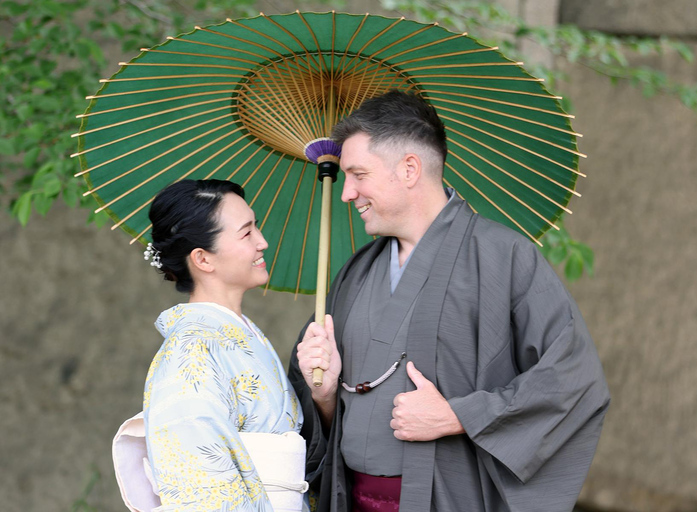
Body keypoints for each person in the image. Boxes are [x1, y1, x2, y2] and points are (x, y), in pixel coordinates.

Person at [289, 91, 610, 512]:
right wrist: (325, 396)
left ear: (409, 169)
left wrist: (458, 417)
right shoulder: (354, 273)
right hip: (350, 499)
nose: (348, 193)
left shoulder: (503, 257)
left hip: (447, 497)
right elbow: (320, 412)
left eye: (359, 174)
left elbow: (573, 379)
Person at [139, 179, 305, 511]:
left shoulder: (240, 335)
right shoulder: (190, 352)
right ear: (203, 259)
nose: (263, 242)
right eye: (246, 233)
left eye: (256, 227)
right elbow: (201, 486)